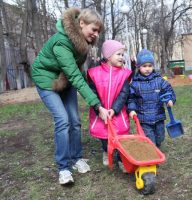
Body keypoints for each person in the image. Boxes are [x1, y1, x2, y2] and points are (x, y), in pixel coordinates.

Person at [31, 7, 104, 185]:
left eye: (98, 32)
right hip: (46, 79)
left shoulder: (82, 43)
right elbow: (74, 74)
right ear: (81, 24)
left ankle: (76, 157)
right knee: (63, 120)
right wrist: (97, 105)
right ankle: (64, 168)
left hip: (65, 78)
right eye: (93, 29)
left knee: (75, 120)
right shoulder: (62, 42)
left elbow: (76, 72)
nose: (96, 35)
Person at [87, 40, 131, 172]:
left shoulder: (124, 74)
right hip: (101, 112)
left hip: (118, 112)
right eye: (118, 54)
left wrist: (115, 109)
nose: (122, 58)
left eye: (122, 55)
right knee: (105, 136)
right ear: (108, 56)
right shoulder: (95, 73)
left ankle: (121, 159)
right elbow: (92, 94)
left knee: (121, 138)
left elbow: (124, 94)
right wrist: (99, 108)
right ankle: (106, 151)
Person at [127, 49, 176, 148]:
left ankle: (157, 146)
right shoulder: (135, 84)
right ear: (138, 67)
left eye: (150, 66)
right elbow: (131, 98)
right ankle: (152, 154)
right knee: (149, 140)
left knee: (160, 137)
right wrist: (131, 109)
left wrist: (170, 100)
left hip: (158, 116)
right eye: (144, 66)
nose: (147, 69)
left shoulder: (159, 80)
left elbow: (168, 90)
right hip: (143, 118)